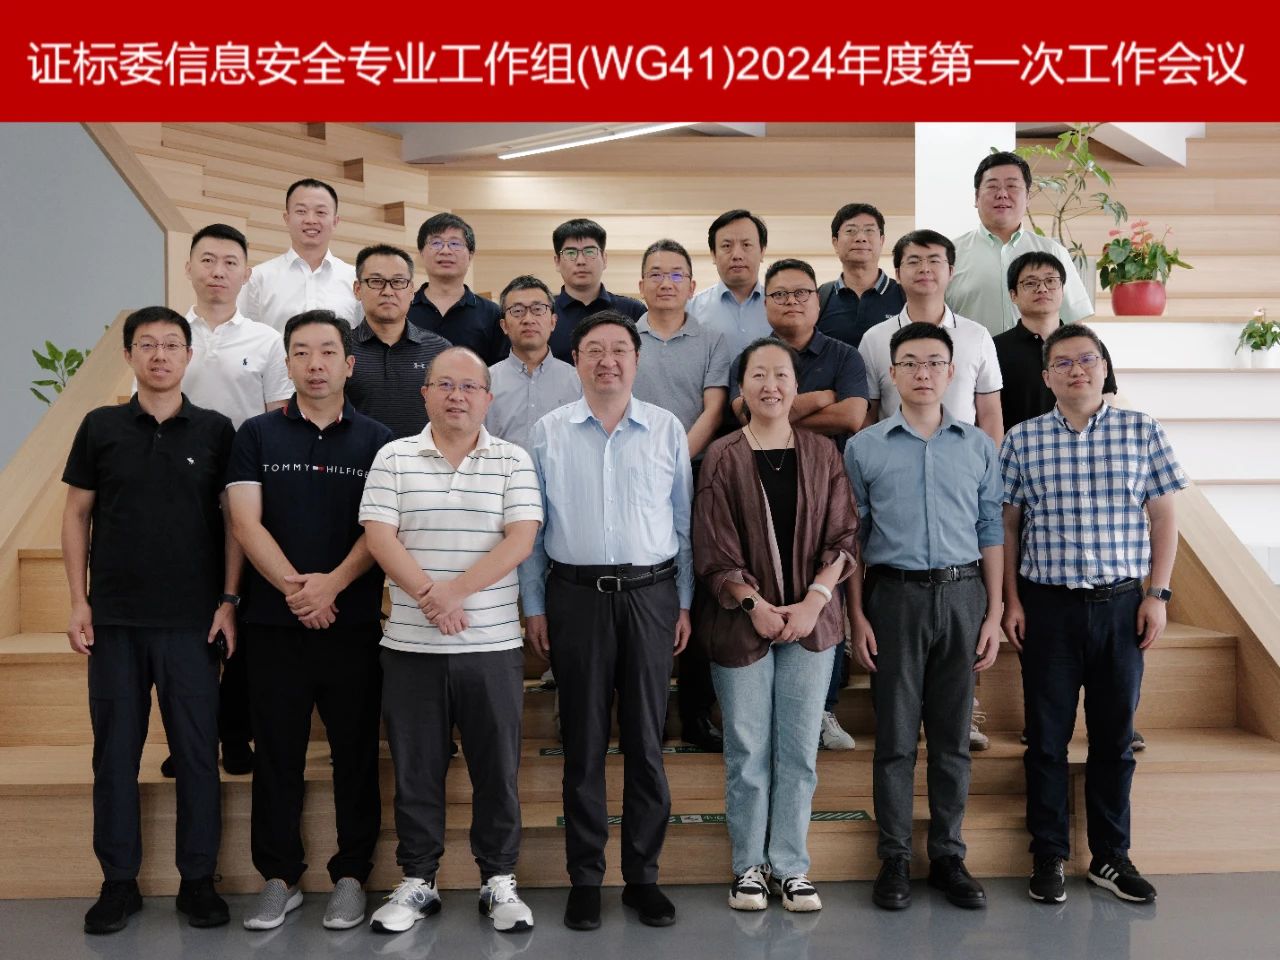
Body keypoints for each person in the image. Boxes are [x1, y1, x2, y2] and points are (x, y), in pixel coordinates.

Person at [62, 306, 237, 933]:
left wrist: (229, 600)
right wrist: (78, 600)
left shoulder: (216, 429)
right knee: (114, 756)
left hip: (193, 623)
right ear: (130, 356)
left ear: (189, 355)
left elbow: (234, 521)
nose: (159, 355)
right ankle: (118, 883)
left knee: (196, 754)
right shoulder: (100, 425)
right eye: (146, 345)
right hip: (115, 621)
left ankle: (198, 881)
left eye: (171, 345)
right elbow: (76, 514)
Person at [1000, 323, 1186, 906]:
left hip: (1122, 608)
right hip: (1047, 608)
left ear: (1104, 368)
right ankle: (1049, 855)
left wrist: (1158, 595)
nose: (1076, 369)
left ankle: (1110, 856)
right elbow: (1007, 527)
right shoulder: (1022, 438)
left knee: (1113, 738)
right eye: (1063, 362)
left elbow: (1164, 517)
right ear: (1046, 376)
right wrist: (1010, 601)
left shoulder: (1142, 430)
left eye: (1087, 359)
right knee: (1046, 740)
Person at [519, 311, 693, 931]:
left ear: (636, 360)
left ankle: (643, 878)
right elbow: (533, 528)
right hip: (576, 598)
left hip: (651, 596)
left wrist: (683, 601)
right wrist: (534, 605)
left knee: (646, 744)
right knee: (584, 744)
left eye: (620, 349)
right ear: (576, 360)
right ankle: (586, 879)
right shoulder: (548, 432)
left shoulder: (667, 428)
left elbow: (683, 524)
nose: (607, 361)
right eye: (594, 350)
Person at [360, 346, 544, 933]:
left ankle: (498, 880)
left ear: (488, 397)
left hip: (491, 646)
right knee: (416, 771)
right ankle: (419, 880)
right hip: (411, 648)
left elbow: (521, 539)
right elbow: (379, 536)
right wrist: (428, 595)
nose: (456, 396)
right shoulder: (393, 456)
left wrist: (454, 593)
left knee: (497, 771)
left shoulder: (512, 460)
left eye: (469, 386)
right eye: (444, 384)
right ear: (426, 394)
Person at [227, 310, 393, 931]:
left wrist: (332, 586)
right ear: (288, 363)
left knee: (355, 753)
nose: (315, 364)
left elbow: (381, 530)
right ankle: (279, 878)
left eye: (327, 352)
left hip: (353, 624)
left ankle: (351, 876)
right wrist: (299, 592)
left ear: (349, 363)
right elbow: (245, 522)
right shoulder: (257, 433)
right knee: (277, 754)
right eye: (302, 352)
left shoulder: (378, 441)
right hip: (275, 626)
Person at [693, 337, 858, 913]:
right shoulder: (721, 457)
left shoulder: (823, 453)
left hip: (813, 625)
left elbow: (844, 535)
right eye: (758, 375)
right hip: (742, 625)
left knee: (798, 752)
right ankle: (749, 867)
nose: (770, 385)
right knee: (746, 750)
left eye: (781, 374)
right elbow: (712, 548)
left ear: (795, 385)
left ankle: (790, 866)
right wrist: (754, 605)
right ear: (741, 389)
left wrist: (813, 602)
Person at [846, 321, 1004, 912]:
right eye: (910, 362)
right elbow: (852, 538)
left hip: (963, 595)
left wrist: (994, 611)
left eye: (935, 362)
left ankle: (947, 855)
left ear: (952, 372)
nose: (922, 372)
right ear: (892, 373)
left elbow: (991, 528)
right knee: (894, 739)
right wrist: (856, 615)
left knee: (951, 740)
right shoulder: (864, 447)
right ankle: (893, 858)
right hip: (894, 598)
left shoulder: (978, 446)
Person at [726, 256, 867, 749]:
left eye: (802, 292)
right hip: (760, 486)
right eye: (780, 294)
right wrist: (818, 397)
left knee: (823, 601)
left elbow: (852, 416)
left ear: (818, 300)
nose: (791, 301)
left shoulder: (845, 354)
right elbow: (742, 412)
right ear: (765, 303)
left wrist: (780, 415)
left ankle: (823, 708)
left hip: (829, 487)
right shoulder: (750, 355)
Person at [171, 222, 290, 781]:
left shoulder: (266, 340)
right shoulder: (170, 335)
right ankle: (188, 740)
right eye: (207, 260)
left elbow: (276, 421)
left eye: (229, 262)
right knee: (187, 624)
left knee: (242, 614)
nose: (217, 271)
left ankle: (235, 735)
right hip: (180, 498)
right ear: (189, 267)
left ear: (246, 274)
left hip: (248, 494)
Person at [631, 238, 732, 753]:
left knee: (701, 592)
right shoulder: (625, 338)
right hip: (632, 478)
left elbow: (714, 410)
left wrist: (669, 464)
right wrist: (649, 468)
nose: (665, 282)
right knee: (642, 585)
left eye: (676, 274)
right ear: (640, 285)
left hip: (696, 473)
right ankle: (639, 717)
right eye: (656, 273)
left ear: (692, 286)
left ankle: (696, 714)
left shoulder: (713, 341)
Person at [947, 152, 1094, 338]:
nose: (1002, 194)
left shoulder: (1052, 251)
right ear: (976, 197)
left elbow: (1073, 323)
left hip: (1039, 357)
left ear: (1027, 197)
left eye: (1012, 186)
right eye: (992, 186)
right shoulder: (949, 255)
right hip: (970, 357)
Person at [994, 251, 1119, 434]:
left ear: (1062, 289)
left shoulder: (1090, 346)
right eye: (1031, 283)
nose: (1042, 289)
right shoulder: (994, 349)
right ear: (1013, 295)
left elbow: (1108, 411)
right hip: (1019, 449)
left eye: (1051, 281)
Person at [348, 243, 451, 438]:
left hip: (424, 457)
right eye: (376, 281)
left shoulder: (440, 350)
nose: (388, 291)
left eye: (398, 282)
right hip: (360, 457)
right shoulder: (340, 349)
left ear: (411, 290)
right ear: (358, 289)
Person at [237, 178, 360, 333]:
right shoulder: (258, 278)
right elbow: (242, 335)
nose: (310, 220)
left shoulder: (355, 279)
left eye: (321, 212)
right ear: (287, 219)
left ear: (335, 221)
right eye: (301, 211)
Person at [486, 275, 582, 453]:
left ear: (553, 322)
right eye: (517, 311)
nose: (528, 319)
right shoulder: (485, 382)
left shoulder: (578, 382)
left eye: (538, 309)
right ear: (504, 326)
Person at [406, 213, 507, 364]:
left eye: (455, 244)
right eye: (436, 243)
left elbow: (499, 370)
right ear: (421, 253)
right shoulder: (403, 308)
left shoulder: (492, 314)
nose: (445, 251)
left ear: (470, 255)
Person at [548, 218, 646, 362]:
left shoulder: (634, 311)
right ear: (557, 262)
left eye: (589, 252)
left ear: (604, 259)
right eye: (570, 253)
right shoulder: (543, 312)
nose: (581, 261)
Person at [816, 202, 906, 348]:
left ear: (882, 240)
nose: (861, 238)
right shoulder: (819, 297)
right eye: (850, 231)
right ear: (835, 242)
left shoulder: (905, 294)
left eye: (869, 230)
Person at [687, 209, 772, 359]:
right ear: (713, 254)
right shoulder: (691, 310)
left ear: (762, 251)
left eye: (746, 245)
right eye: (726, 246)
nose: (737, 255)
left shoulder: (780, 306)